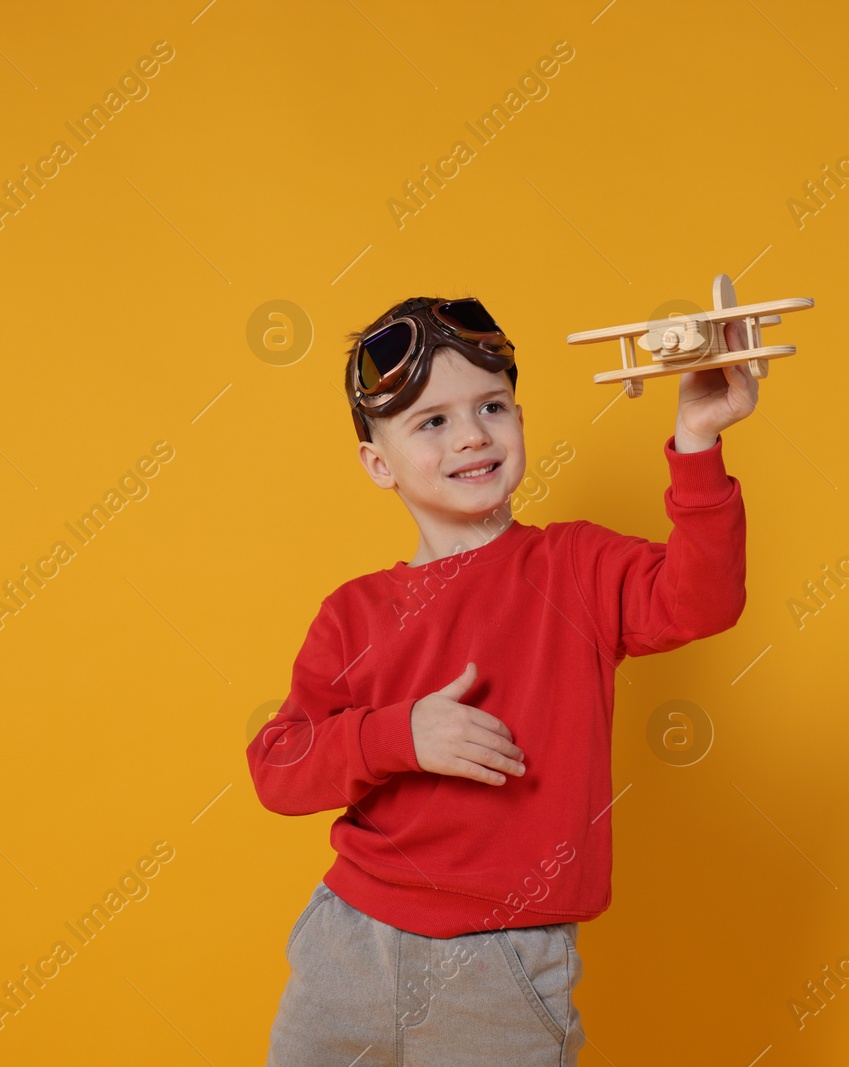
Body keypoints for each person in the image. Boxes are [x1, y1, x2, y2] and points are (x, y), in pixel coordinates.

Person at [247, 294, 754, 1065]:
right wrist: (400, 733)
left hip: (502, 967)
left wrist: (696, 440)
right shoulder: (351, 614)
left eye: (493, 405)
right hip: (348, 951)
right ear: (377, 463)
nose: (474, 435)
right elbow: (277, 766)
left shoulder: (576, 567)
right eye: (433, 421)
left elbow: (702, 599)